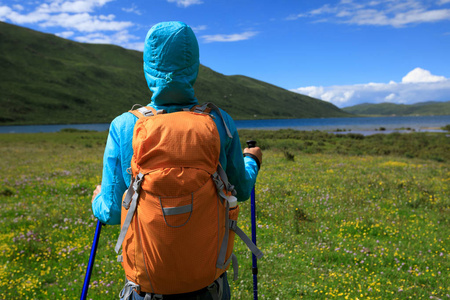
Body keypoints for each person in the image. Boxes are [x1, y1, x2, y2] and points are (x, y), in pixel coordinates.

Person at [91, 21, 262, 300]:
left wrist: (98, 198)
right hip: (208, 286)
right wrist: (252, 161)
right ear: (194, 64)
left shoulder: (124, 126)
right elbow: (241, 190)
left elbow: (110, 211)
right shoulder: (219, 122)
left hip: (145, 289)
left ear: (148, 64)